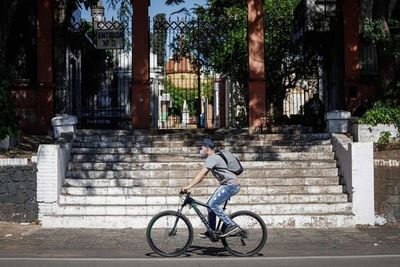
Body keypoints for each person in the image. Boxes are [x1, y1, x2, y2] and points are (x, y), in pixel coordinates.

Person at [180, 137, 241, 238]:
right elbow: (202, 176)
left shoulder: (212, 158)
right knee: (210, 205)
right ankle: (212, 230)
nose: (201, 149)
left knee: (212, 204)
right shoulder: (214, 157)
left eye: (202, 147)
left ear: (207, 148)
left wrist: (188, 187)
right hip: (227, 184)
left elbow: (201, 175)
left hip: (231, 185)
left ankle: (231, 225)